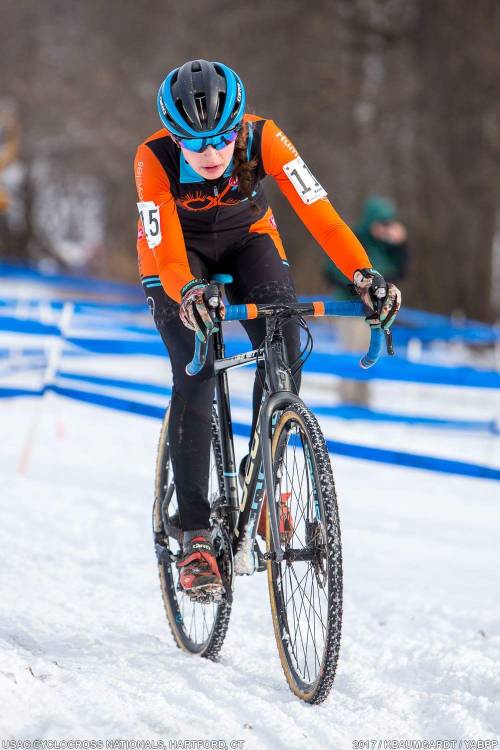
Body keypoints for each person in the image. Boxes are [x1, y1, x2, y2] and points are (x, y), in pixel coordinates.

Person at [134, 60, 401, 596]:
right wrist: (187, 291)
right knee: (197, 375)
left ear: (239, 127)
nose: (211, 155)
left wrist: (363, 276)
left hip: (249, 237)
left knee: (284, 345)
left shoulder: (266, 138)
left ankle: (264, 486)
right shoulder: (152, 157)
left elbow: (320, 214)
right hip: (176, 258)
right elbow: (163, 248)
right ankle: (195, 537)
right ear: (175, 138)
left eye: (222, 141)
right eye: (195, 144)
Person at [323, 195, 409, 405]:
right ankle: (347, 402)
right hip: (351, 309)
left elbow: (399, 271)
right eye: (381, 223)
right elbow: (332, 272)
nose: (384, 228)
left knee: (370, 353)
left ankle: (362, 402)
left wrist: (400, 245)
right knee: (352, 353)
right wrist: (361, 293)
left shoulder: (383, 246)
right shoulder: (354, 238)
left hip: (374, 311)